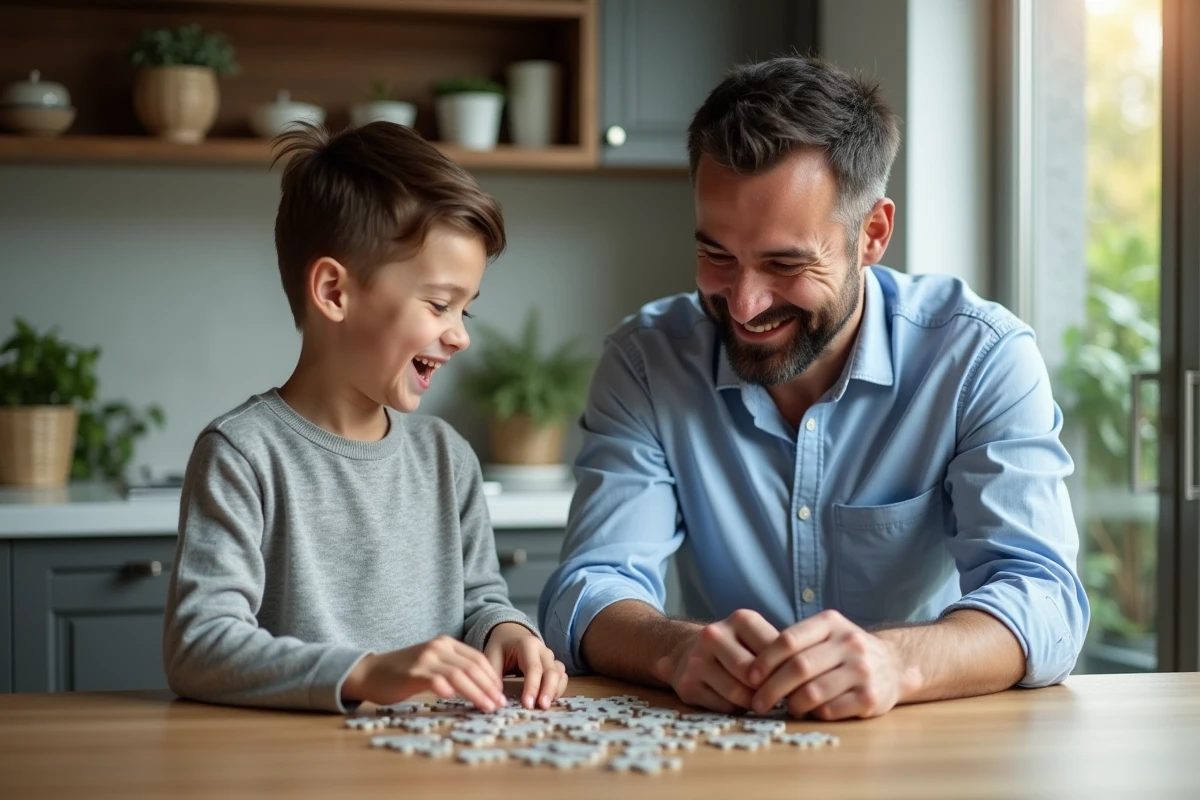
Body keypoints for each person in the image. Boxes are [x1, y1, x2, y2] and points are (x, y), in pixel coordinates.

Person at [539, 57, 1088, 720]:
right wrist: (674, 651)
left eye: (784, 263)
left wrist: (897, 663)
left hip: (929, 748)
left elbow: (1045, 600)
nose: (743, 303)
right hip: (727, 755)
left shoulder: (981, 357)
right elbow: (589, 590)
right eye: (717, 255)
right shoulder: (647, 361)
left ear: (873, 234)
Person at [163, 122, 567, 713]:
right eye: (439, 304)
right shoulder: (242, 454)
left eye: (467, 312)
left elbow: (479, 598)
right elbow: (198, 645)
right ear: (333, 291)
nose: (459, 336)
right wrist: (365, 673)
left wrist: (507, 633)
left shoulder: (446, 456)